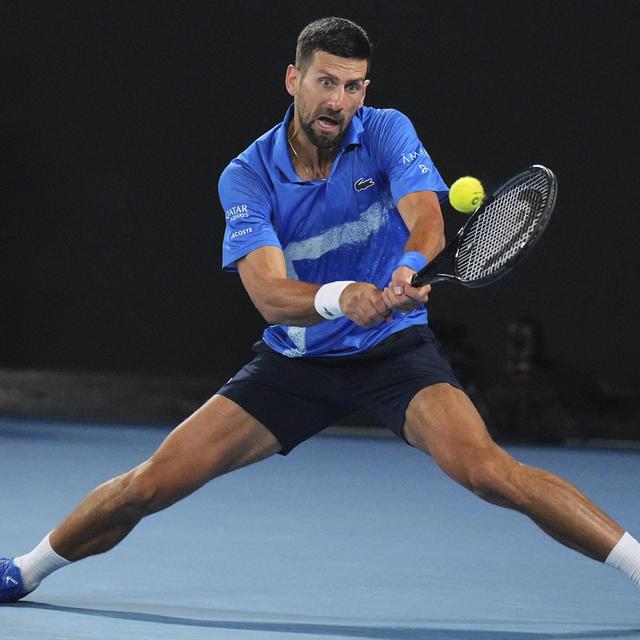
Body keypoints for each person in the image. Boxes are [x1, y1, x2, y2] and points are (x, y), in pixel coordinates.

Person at [2, 16, 639, 604]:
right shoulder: (247, 175)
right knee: (150, 485)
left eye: (353, 86)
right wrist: (339, 298)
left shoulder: (387, 129)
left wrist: (405, 269)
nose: (339, 100)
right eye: (326, 82)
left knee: (490, 471)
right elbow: (269, 296)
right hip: (295, 366)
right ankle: (24, 569)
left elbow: (427, 220)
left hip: (394, 356)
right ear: (294, 79)